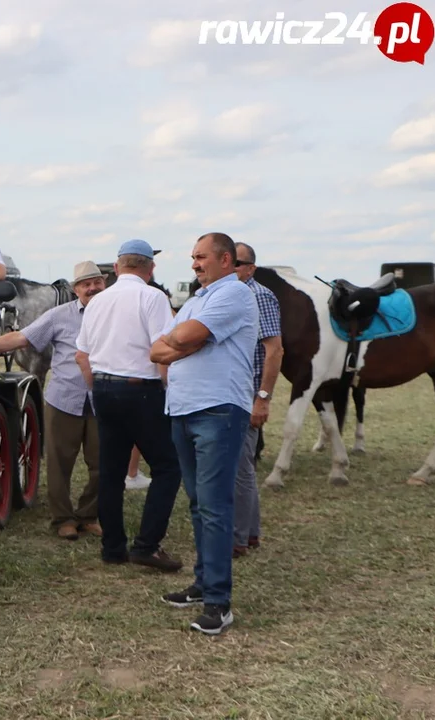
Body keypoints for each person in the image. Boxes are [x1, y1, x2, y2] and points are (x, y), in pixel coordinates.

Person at [151, 232, 259, 636]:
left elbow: (177, 339)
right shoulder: (196, 300)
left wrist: (180, 342)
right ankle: (203, 583)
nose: (194, 264)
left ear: (226, 259)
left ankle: (218, 602)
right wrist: (183, 344)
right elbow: (156, 350)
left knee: (213, 506)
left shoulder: (234, 294)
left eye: (201, 257)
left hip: (217, 410)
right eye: (193, 258)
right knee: (199, 504)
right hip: (183, 409)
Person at [0, 260, 106, 540]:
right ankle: (63, 519)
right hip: (66, 399)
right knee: (60, 464)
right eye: (86, 284)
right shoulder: (59, 316)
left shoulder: (116, 315)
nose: (92, 288)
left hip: (104, 400)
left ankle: (88, 515)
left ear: (105, 283)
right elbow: (21, 338)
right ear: (76, 290)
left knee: (102, 463)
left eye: (96, 282)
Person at [74, 239, 183, 573]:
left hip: (105, 388)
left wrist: (99, 388)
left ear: (117, 268)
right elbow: (160, 351)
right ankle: (147, 545)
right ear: (150, 269)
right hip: (142, 389)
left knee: (111, 471)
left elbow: (83, 353)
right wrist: (170, 389)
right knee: (167, 467)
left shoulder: (97, 301)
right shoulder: (153, 297)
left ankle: (113, 548)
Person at [230, 242, 282, 557]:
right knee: (241, 466)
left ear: (250, 268)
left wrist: (262, 398)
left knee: (240, 467)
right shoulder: (233, 295)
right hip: (236, 394)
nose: (231, 268)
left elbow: (274, 349)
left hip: (247, 396)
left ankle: (238, 538)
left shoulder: (258, 296)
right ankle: (248, 534)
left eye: (237, 263)